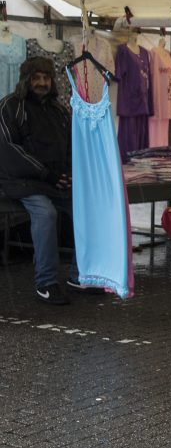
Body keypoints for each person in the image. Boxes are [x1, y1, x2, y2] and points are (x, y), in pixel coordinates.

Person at [0, 56, 89, 305]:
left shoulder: (59, 111)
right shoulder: (9, 106)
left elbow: (72, 146)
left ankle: (80, 276)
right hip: (20, 181)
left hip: (53, 181)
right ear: (26, 80)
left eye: (46, 78)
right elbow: (8, 150)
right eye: (36, 78)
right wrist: (48, 175)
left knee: (87, 208)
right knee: (46, 214)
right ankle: (46, 283)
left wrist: (70, 175)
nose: (42, 83)